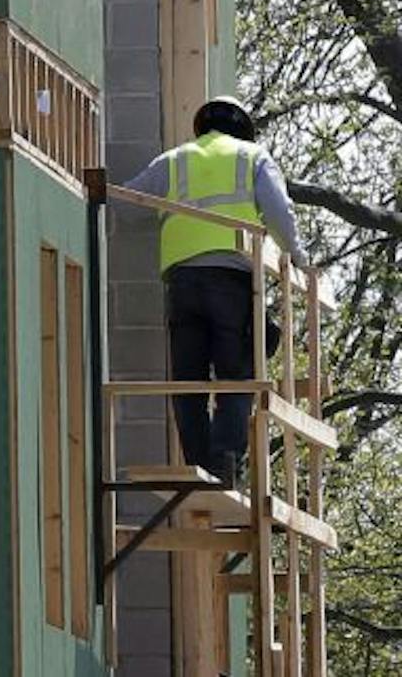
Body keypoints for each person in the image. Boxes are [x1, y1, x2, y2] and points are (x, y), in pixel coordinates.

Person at [125, 94, 309, 489]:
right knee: (236, 374)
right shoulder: (251, 156)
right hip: (231, 280)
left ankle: (199, 465)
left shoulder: (175, 160)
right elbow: (279, 212)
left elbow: (129, 196)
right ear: (243, 127)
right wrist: (298, 259)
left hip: (183, 283)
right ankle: (224, 464)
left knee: (188, 379)